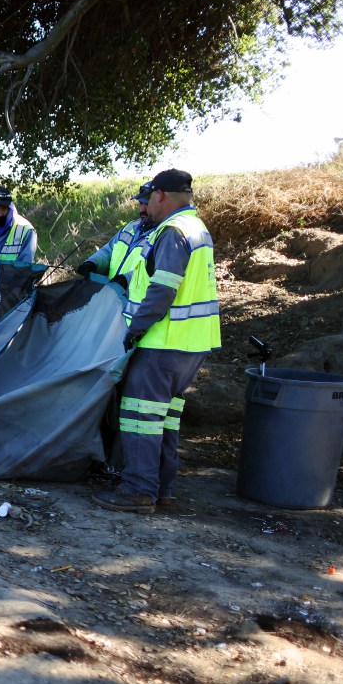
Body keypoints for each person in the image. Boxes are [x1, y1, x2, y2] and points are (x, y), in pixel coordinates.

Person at [94, 169, 220, 514]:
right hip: (192, 345)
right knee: (164, 419)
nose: (146, 204)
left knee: (139, 418)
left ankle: (137, 490)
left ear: (161, 195)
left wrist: (134, 329)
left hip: (162, 342)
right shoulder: (197, 229)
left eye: (149, 198)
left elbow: (162, 288)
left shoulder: (172, 231)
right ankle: (162, 488)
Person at [81, 181, 155, 287]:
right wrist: (92, 263)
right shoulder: (130, 227)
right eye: (140, 203)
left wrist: (126, 280)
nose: (142, 209)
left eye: (147, 203)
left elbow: (153, 271)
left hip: (134, 301)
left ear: (158, 203)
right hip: (112, 294)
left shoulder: (163, 234)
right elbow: (109, 250)